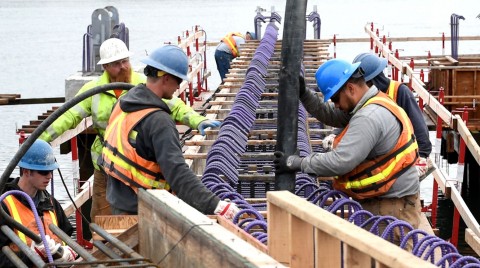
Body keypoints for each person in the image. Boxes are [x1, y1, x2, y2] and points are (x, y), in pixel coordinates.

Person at [39, 38, 220, 223]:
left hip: (136, 169)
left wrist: (198, 121)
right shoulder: (94, 91)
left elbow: (177, 107)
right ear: (106, 67)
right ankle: (102, 247)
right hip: (107, 165)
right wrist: (40, 140)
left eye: (125, 61)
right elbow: (67, 117)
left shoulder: (142, 86)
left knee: (127, 222)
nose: (123, 67)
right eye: (117, 64)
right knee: (102, 219)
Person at [273, 59, 422, 240]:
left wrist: (297, 163)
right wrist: (304, 94)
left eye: (335, 98)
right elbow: (331, 114)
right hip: (387, 200)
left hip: (392, 207)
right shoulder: (372, 103)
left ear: (351, 89)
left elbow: (340, 161)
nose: (335, 104)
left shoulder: (368, 117)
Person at [100, 45, 239, 219]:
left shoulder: (124, 103)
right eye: (178, 81)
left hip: (120, 201)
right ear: (166, 78)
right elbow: (178, 173)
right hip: (146, 209)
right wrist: (216, 205)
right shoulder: (159, 121)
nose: (178, 88)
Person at [353, 53, 433, 180]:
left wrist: (420, 159)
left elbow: (421, 134)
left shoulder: (400, 92)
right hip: (379, 164)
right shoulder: (363, 98)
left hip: (403, 164)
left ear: (370, 81)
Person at [0, 140, 77, 267]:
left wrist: (68, 253)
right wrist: (31, 256)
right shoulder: (4, 207)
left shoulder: (51, 203)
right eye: (43, 172)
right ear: (26, 171)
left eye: (51, 171)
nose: (50, 176)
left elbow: (66, 237)